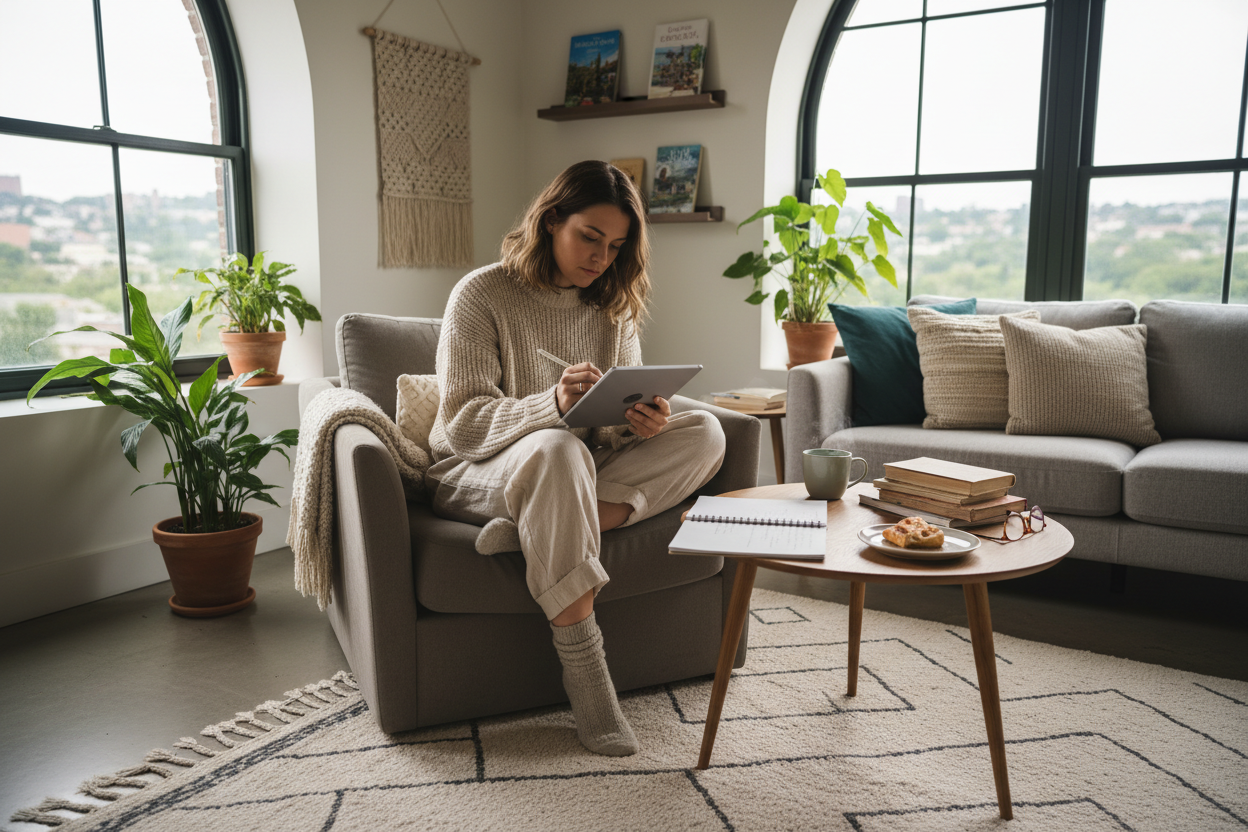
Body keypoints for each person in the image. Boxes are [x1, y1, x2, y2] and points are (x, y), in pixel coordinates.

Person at [425, 160, 726, 756]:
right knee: (558, 446)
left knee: (706, 431)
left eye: (616, 246)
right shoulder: (480, 294)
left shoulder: (611, 307)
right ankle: (589, 683)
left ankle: (535, 531)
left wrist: (639, 424)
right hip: (475, 471)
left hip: (569, 473)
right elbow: (461, 424)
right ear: (550, 220)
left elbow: (606, 430)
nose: (601, 257)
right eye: (590, 236)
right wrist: (553, 405)